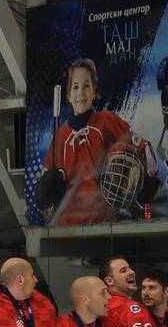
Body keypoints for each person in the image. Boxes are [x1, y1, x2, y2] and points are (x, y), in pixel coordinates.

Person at [36, 58, 160, 226]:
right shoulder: (60, 137)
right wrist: (46, 192)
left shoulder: (106, 121)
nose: (81, 92)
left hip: (104, 222)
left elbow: (142, 146)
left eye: (87, 86)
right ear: (68, 96)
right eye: (75, 87)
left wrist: (150, 175)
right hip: (67, 226)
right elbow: (44, 196)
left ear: (94, 92)